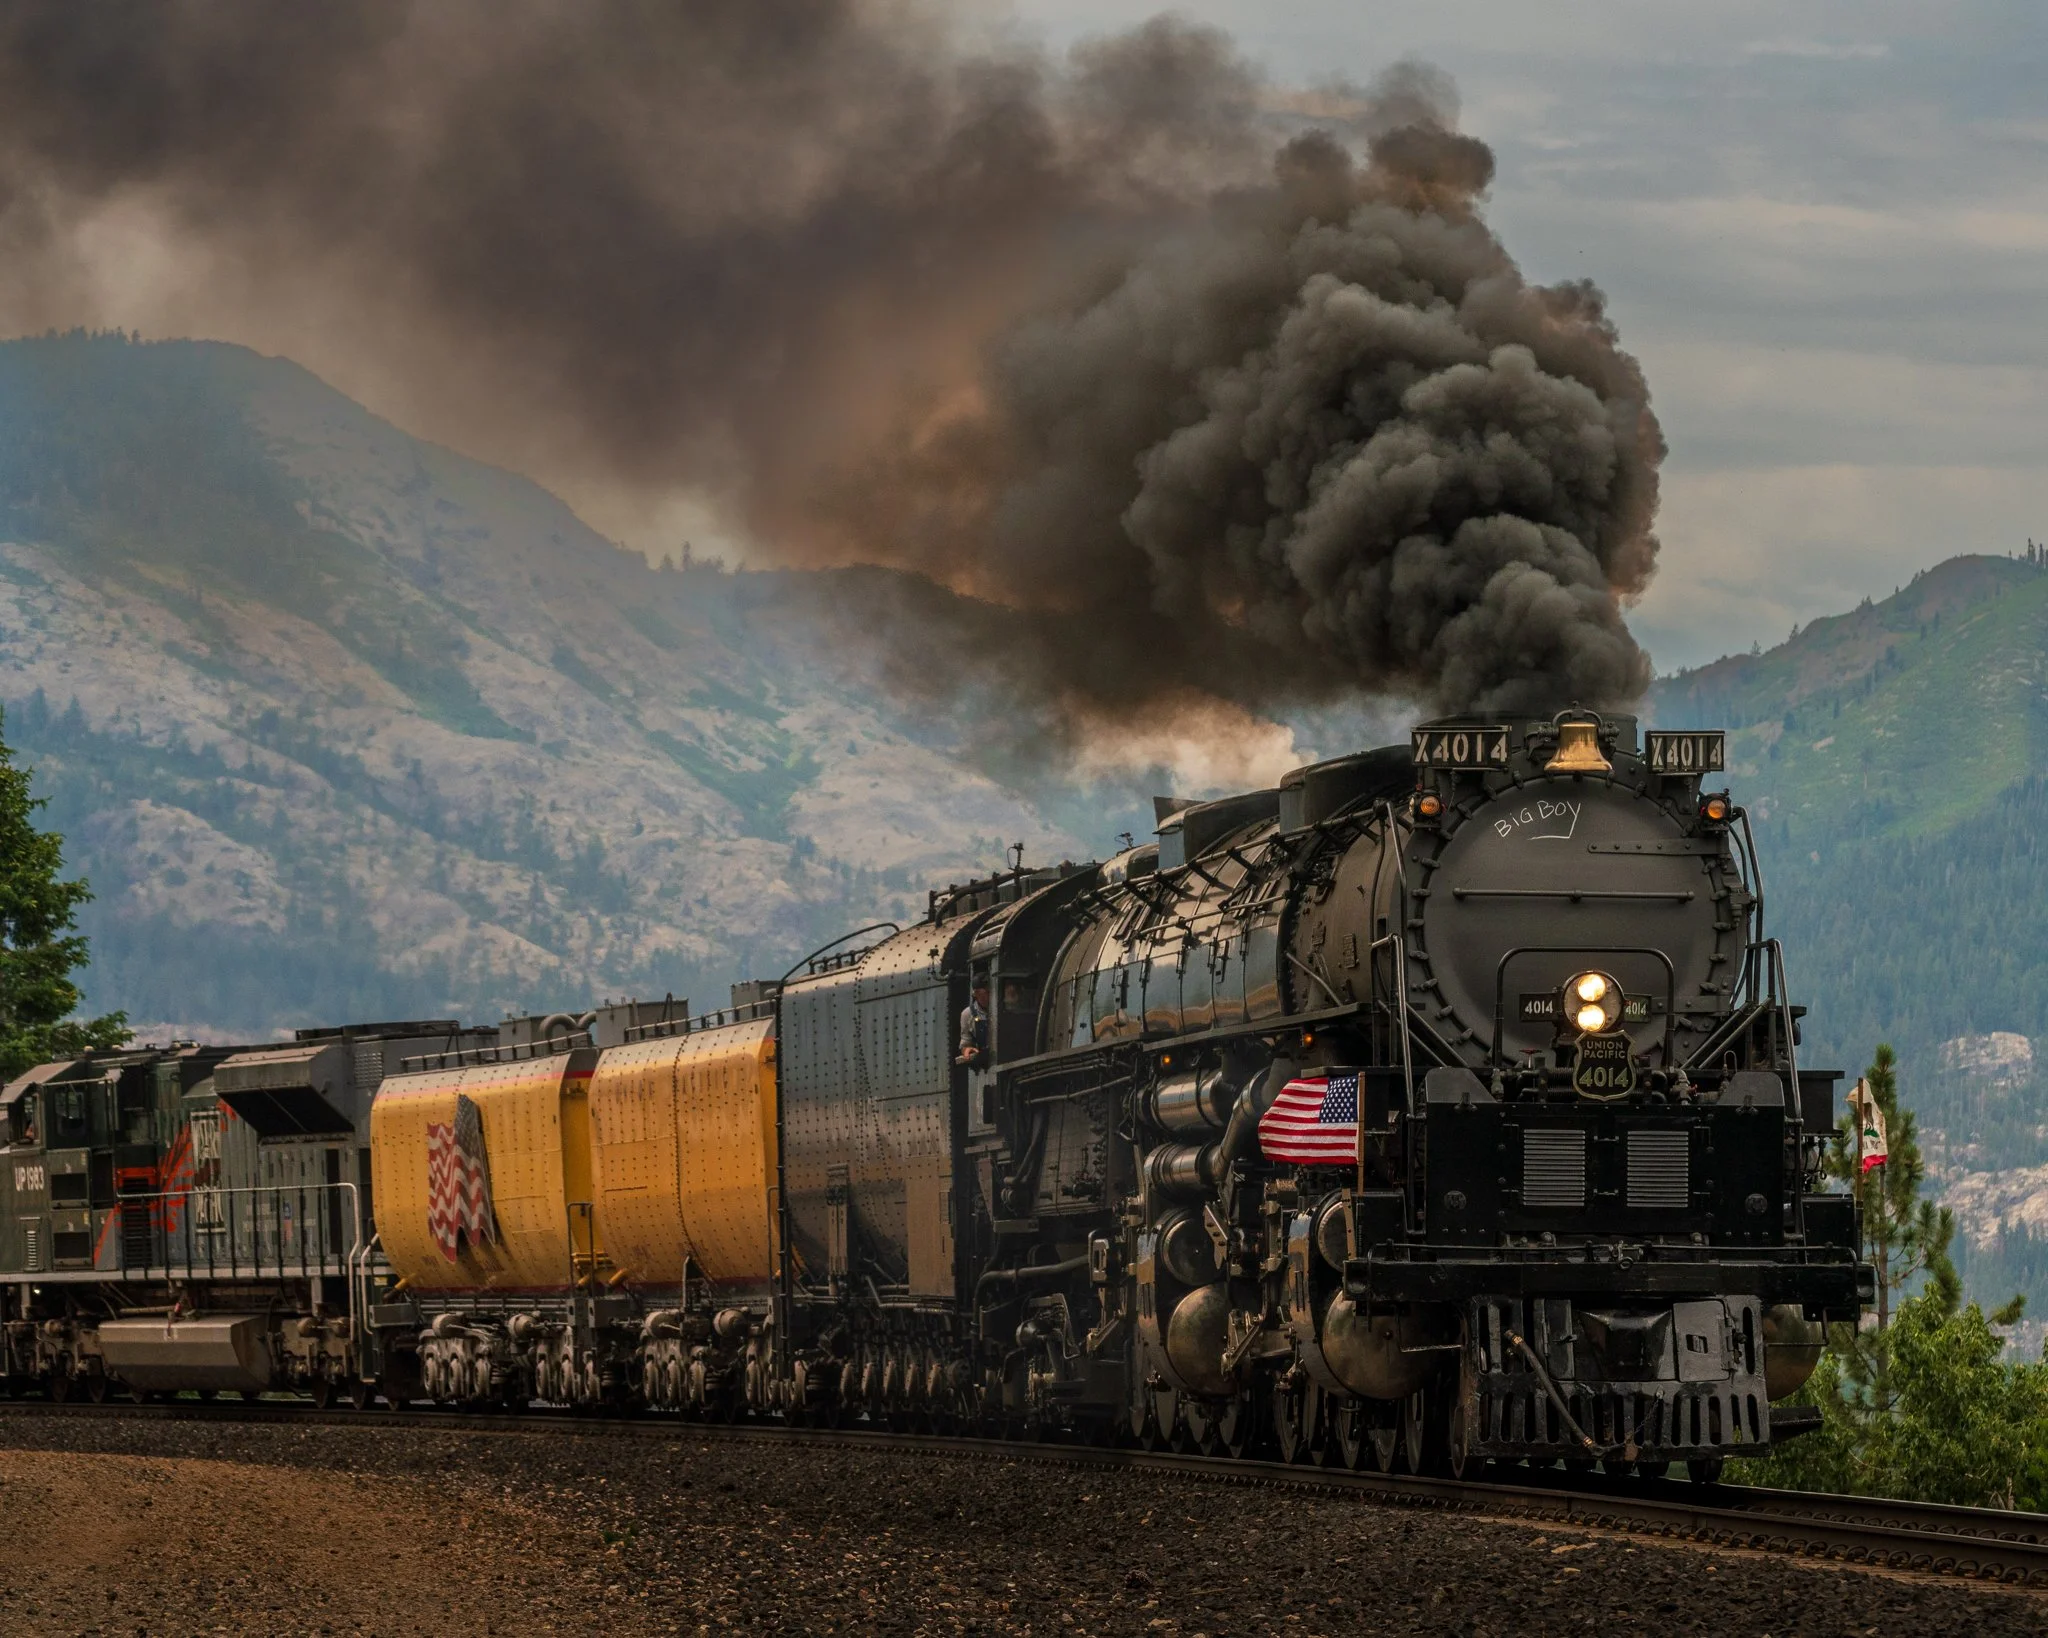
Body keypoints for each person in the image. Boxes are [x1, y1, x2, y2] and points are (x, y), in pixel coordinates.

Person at [958, 977, 990, 1066]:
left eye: (988, 993)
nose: (986, 997)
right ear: (975, 994)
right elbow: (965, 1043)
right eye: (980, 994)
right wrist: (967, 1049)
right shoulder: (967, 1014)